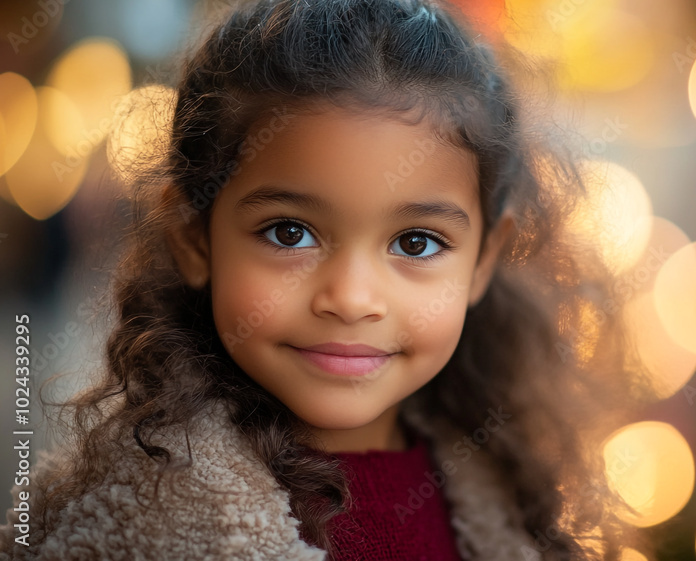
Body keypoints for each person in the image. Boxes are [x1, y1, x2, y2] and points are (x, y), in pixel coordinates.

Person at [1, 0, 649, 559]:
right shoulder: (137, 519)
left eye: (416, 242)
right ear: (194, 236)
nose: (350, 297)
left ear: (482, 260)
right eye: (291, 232)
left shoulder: (502, 491)